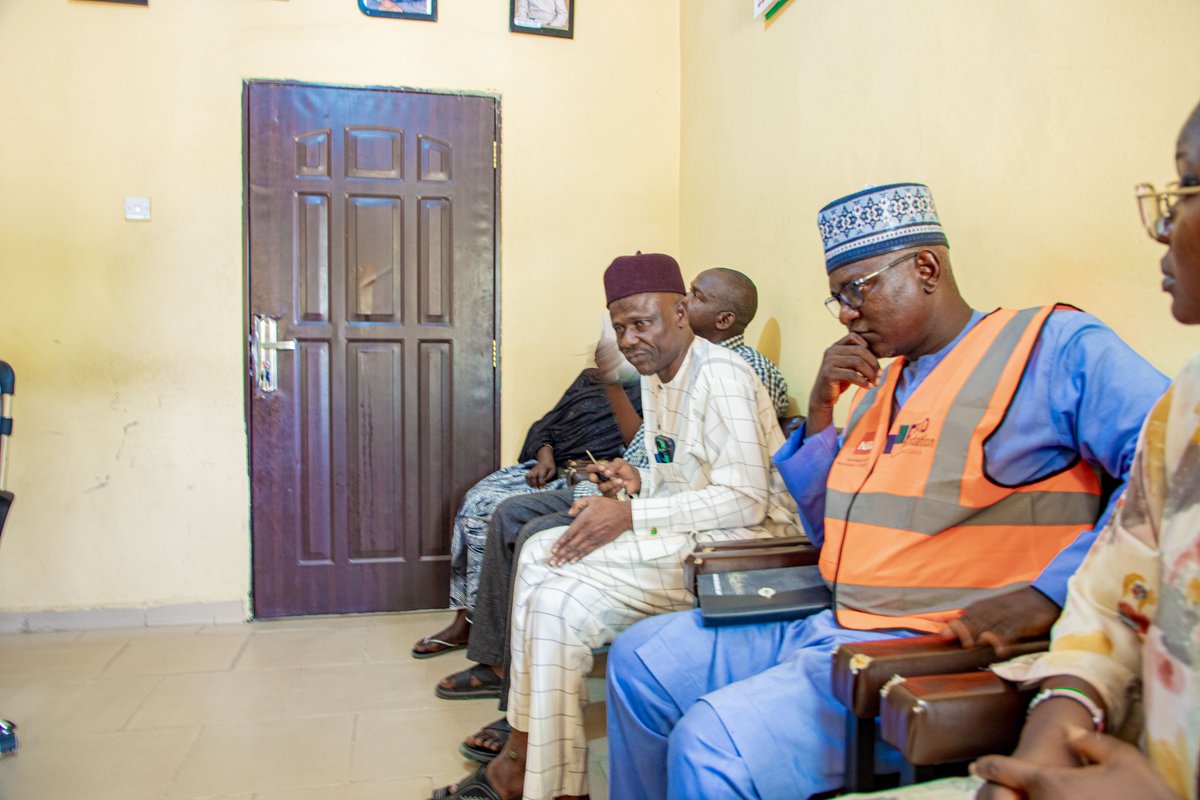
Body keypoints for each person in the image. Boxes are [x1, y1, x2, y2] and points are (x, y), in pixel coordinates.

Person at [603, 182, 1171, 800]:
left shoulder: (1051, 348)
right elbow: (835, 536)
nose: (846, 313)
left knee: (712, 745)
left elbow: (1171, 475)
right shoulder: (882, 380)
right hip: (829, 617)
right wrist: (821, 414)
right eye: (836, 298)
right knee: (640, 663)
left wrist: (1048, 589)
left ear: (925, 268)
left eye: (856, 289)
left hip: (929, 643)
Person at [430, 252, 801, 800]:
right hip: (692, 533)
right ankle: (531, 761)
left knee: (558, 602)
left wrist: (630, 513)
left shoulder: (722, 374)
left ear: (680, 312)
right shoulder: (656, 377)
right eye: (620, 326)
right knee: (539, 555)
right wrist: (636, 482)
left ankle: (545, 780)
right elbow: (684, 480)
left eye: (641, 323)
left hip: (747, 552)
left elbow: (747, 502)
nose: (628, 340)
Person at [411, 347, 640, 660]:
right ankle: (465, 619)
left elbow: (636, 448)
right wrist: (543, 456)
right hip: (548, 468)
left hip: (594, 477)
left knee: (500, 513)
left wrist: (615, 384)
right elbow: (548, 423)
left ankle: (492, 633)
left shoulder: (650, 386)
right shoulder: (588, 380)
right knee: (477, 502)